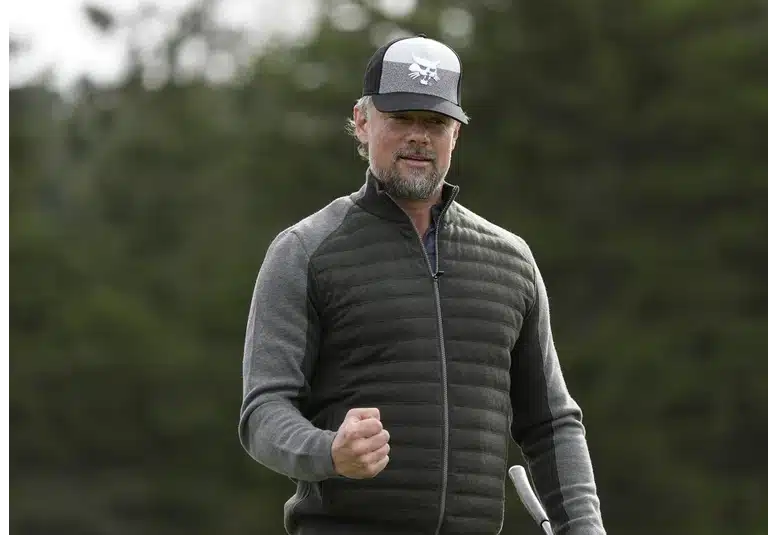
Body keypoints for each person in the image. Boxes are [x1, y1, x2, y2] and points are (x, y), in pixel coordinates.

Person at [238, 34, 606, 535]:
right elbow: (263, 412)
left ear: (456, 133)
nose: (418, 136)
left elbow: (551, 424)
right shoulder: (305, 250)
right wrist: (329, 452)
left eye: (433, 122)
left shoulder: (511, 259)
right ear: (363, 122)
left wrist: (583, 527)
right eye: (401, 118)